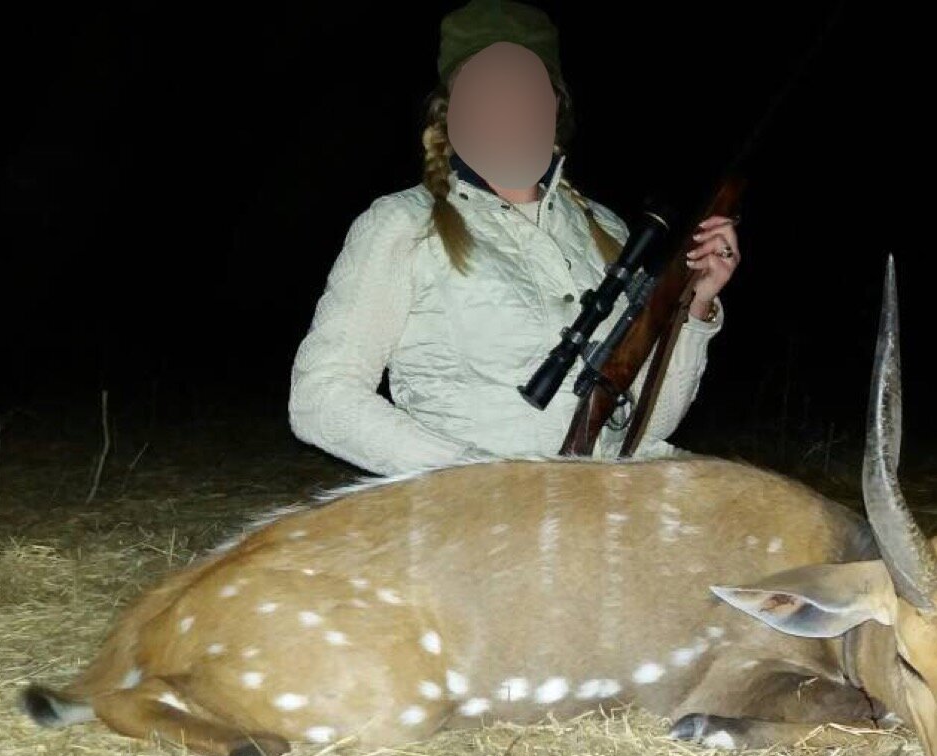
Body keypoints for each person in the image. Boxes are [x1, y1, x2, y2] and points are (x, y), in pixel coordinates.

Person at [289, 0, 740, 477]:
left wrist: (695, 307)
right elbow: (321, 399)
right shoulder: (402, 223)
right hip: (477, 517)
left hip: (612, 493)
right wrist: (477, 478)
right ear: (450, 111)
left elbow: (646, 429)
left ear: (554, 106)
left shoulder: (607, 231)